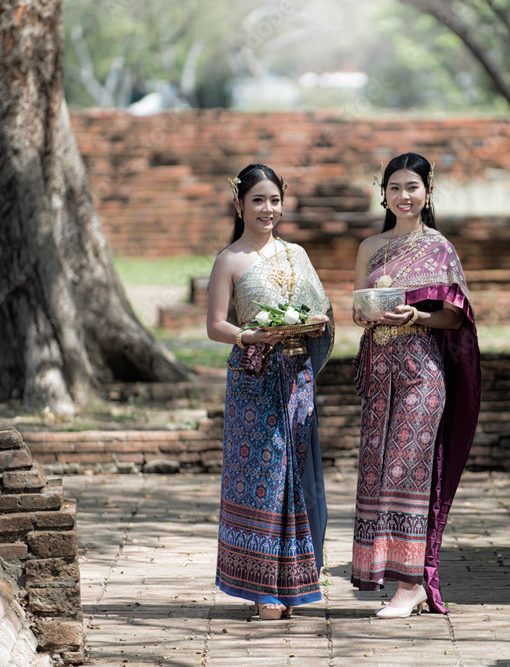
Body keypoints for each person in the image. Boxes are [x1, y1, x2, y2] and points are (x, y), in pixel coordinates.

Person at [350, 152, 481, 618]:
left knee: (408, 472)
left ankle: (412, 584)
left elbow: (456, 315)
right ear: (382, 192)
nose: (403, 197)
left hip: (422, 373)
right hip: (378, 371)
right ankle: (387, 573)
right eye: (394, 188)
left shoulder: (440, 247)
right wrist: (366, 313)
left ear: (428, 192)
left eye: (412, 188)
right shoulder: (370, 246)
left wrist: (417, 315)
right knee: (378, 471)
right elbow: (357, 308)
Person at [207, 164, 334, 620]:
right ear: (239, 203)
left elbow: (321, 312)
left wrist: (315, 324)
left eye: (275, 200)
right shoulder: (230, 259)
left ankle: (298, 583)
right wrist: (250, 337)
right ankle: (262, 589)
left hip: (296, 378)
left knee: (297, 477)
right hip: (254, 378)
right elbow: (216, 325)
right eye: (258, 200)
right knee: (262, 480)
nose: (268, 209)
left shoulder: (296, 254)